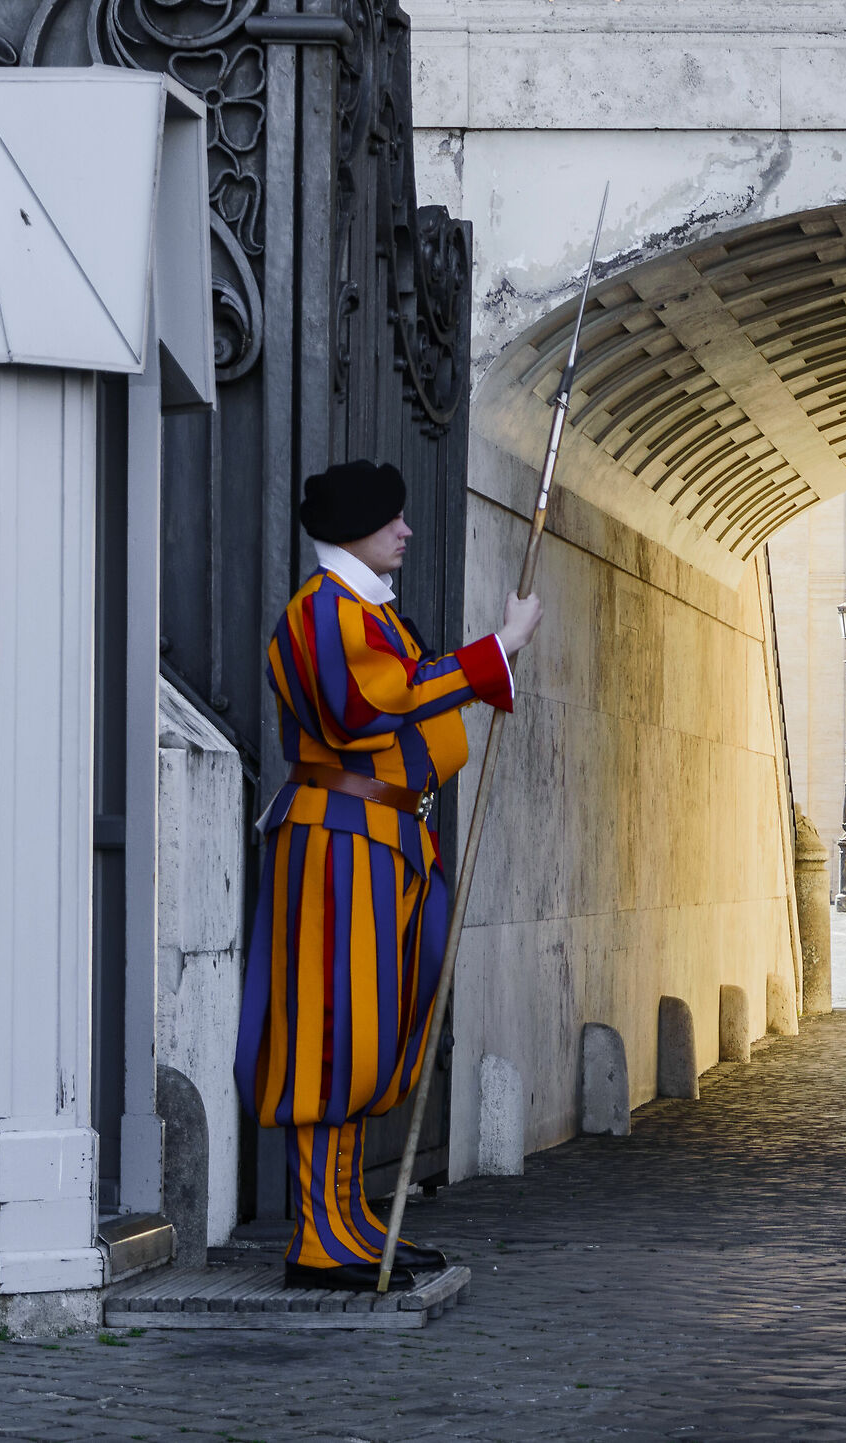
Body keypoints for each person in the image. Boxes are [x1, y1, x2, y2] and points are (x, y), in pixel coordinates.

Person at [234, 459, 542, 1291]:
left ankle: (348, 1217)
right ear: (355, 527)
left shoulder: (366, 610)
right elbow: (372, 705)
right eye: (392, 519)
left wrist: (486, 667)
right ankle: (317, 1235)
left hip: (383, 838)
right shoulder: (323, 612)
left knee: (373, 1031)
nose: (406, 530)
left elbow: (412, 691)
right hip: (339, 840)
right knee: (331, 1033)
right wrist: (496, 650)